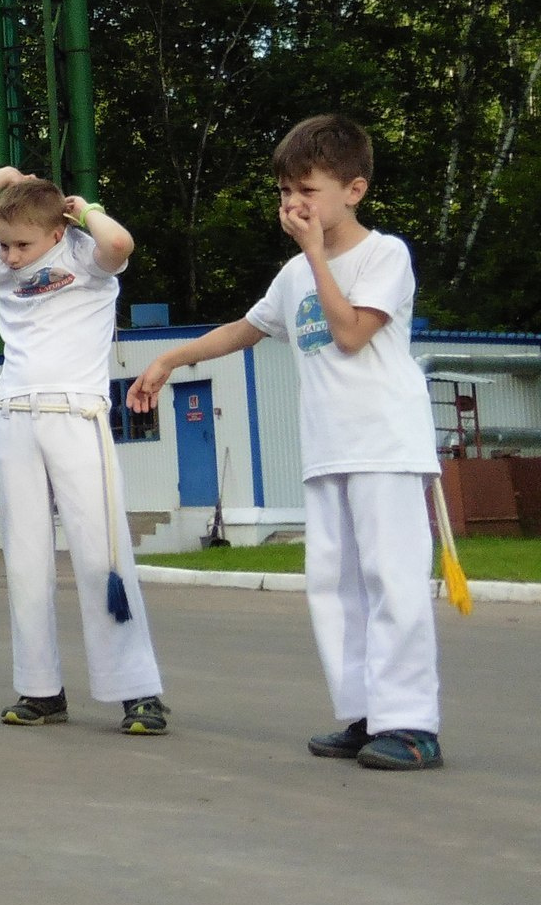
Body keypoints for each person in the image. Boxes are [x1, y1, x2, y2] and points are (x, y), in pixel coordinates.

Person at [129, 115, 443, 770]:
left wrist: (314, 257)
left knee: (394, 582)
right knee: (335, 587)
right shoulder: (294, 276)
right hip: (328, 450)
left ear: (353, 190)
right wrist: (168, 362)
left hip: (385, 444)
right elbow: (244, 329)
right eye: (283, 193)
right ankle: (365, 716)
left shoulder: (383, 256)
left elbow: (352, 332)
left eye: (306, 190)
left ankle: (411, 723)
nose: (292, 204)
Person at [0, 166, 168, 735]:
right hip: (14, 416)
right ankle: (40, 689)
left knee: (101, 553)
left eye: (23, 245)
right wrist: (2, 177)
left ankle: (137, 692)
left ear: (58, 231)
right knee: (25, 558)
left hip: (76, 414)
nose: (11, 257)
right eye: (6, 244)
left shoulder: (86, 255)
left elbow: (119, 242)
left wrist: (80, 207)